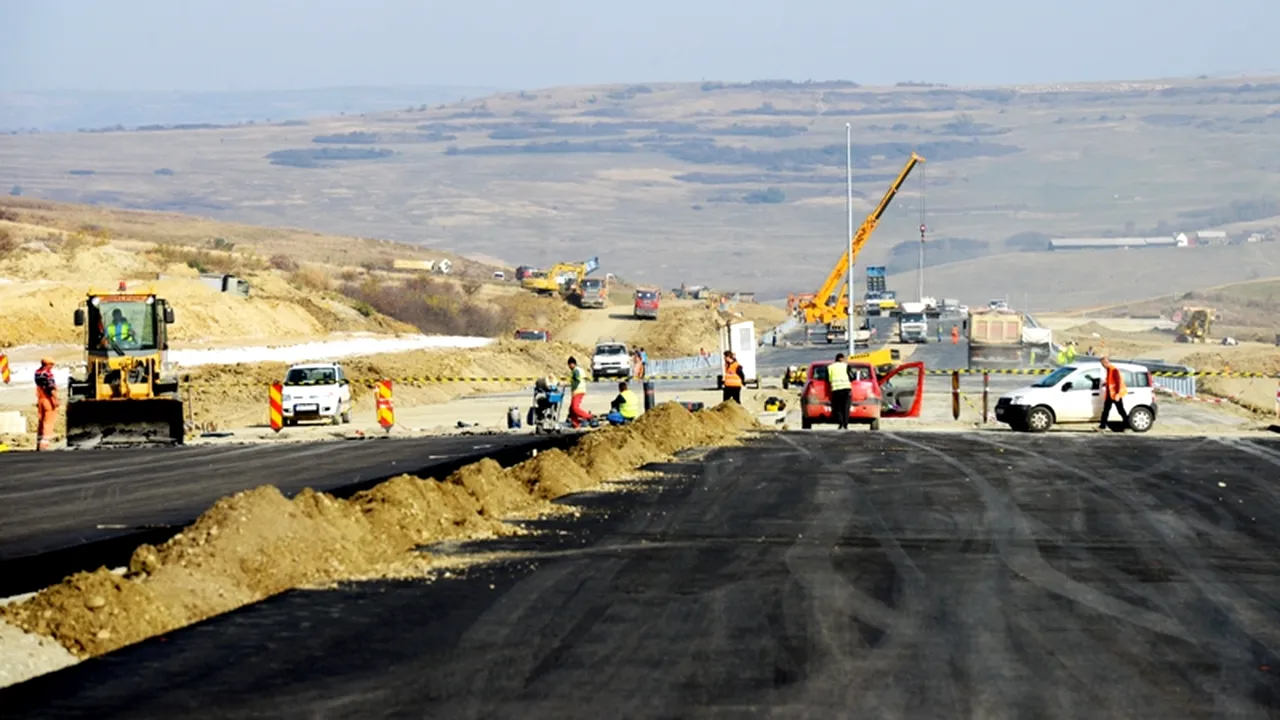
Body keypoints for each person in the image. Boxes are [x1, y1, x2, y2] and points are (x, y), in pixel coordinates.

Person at [1098, 356, 1130, 431]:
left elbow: (1118, 382)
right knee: (1106, 410)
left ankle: (1127, 424)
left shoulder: (1114, 370)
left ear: (1106, 363)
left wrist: (1118, 394)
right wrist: (1106, 384)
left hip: (1115, 395)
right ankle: (1102, 426)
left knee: (1120, 410)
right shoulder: (1109, 370)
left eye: (1103, 364)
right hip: (1110, 395)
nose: (1103, 366)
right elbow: (1111, 381)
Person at [34, 357, 58, 451]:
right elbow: (50, 388)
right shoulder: (48, 374)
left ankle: (39, 443)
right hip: (47, 399)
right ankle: (44, 445)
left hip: (40, 399)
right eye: (51, 365)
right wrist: (55, 400)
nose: (52, 367)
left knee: (41, 421)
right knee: (48, 422)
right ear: (48, 365)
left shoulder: (37, 373)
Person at [566, 357, 593, 428]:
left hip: (578, 391)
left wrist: (573, 390)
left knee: (575, 408)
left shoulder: (576, 371)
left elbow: (577, 381)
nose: (569, 367)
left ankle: (589, 417)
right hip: (579, 390)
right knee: (571, 409)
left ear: (572, 364)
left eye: (569, 365)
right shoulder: (578, 370)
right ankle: (575, 424)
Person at [827, 353, 852, 430]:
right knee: (846, 407)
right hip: (846, 389)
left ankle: (840, 423)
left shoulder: (830, 367)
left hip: (836, 389)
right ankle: (846, 424)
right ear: (842, 359)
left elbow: (829, 379)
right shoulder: (846, 366)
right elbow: (851, 376)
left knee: (838, 407)